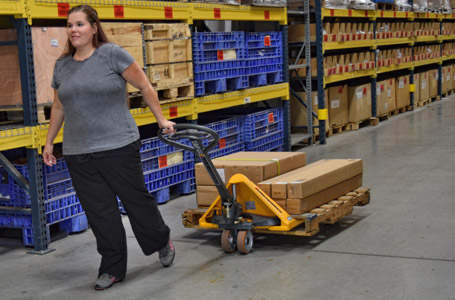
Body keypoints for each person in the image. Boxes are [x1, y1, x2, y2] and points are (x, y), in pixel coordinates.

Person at [42, 5, 176, 291]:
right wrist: (50, 141)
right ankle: (112, 268)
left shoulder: (112, 54)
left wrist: (161, 119)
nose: (74, 30)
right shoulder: (62, 64)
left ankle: (161, 239)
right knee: (100, 213)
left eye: (79, 24)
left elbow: (146, 87)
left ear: (93, 27)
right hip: (79, 151)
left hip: (119, 145)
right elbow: (58, 105)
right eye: (70, 25)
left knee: (137, 203)